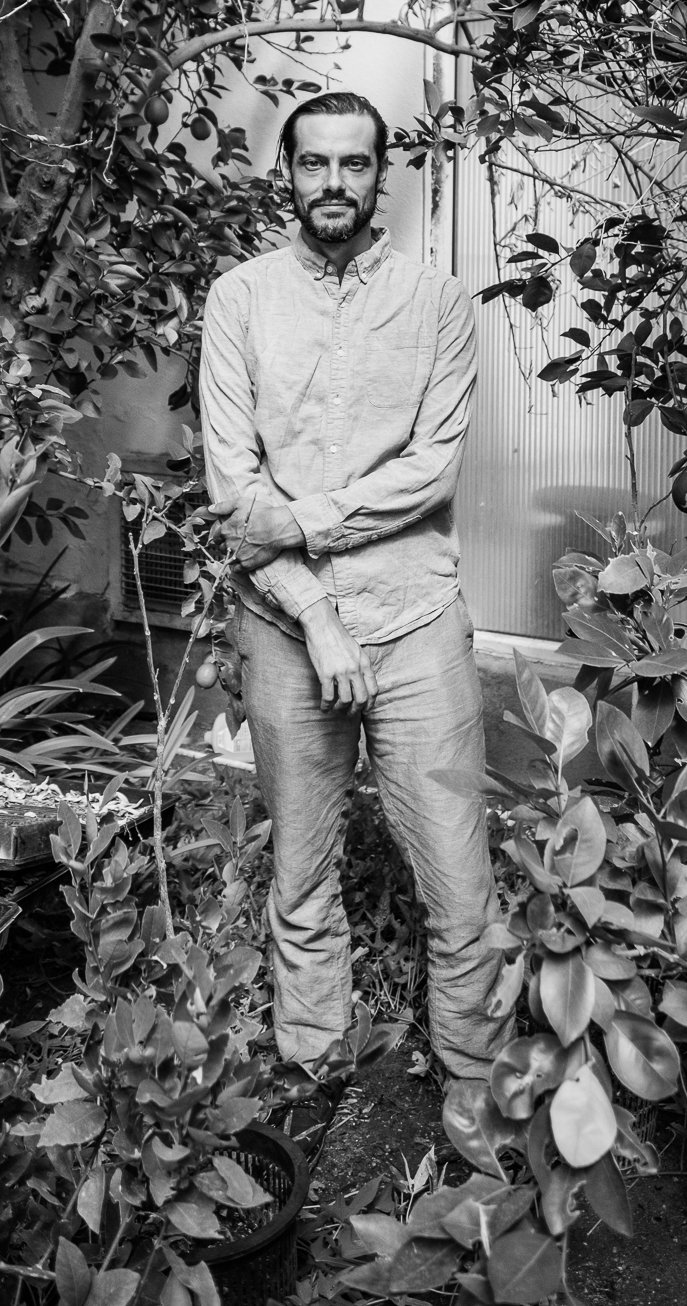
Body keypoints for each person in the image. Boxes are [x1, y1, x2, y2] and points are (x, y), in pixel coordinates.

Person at [198, 89, 510, 1082]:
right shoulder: (240, 298)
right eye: (314, 163)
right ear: (284, 173)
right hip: (287, 626)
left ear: (383, 173)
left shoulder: (438, 302)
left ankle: (476, 1094)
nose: (334, 182)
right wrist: (317, 609)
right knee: (300, 872)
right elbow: (230, 487)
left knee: (459, 884)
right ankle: (314, 1066)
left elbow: (430, 469)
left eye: (355, 163)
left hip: (415, 617)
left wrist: (298, 518)